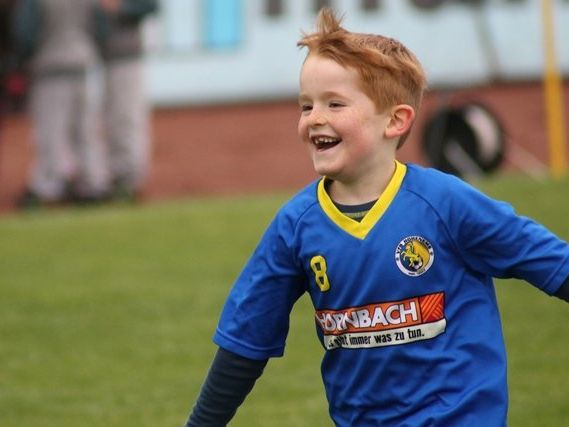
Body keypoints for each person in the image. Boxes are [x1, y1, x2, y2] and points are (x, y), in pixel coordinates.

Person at [184, 8, 569, 427]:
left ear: (396, 120)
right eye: (305, 105)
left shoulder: (446, 202)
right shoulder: (296, 226)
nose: (314, 117)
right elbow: (246, 340)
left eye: (335, 103)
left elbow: (551, 263)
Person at [12, 0, 109, 208]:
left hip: (50, 65)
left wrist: (22, 60)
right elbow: (102, 28)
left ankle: (49, 184)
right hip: (83, 62)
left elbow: (25, 33)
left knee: (51, 131)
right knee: (85, 130)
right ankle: (93, 182)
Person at [98, 0, 157, 202]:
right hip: (102, 57)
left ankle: (129, 179)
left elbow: (151, 6)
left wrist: (121, 8)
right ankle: (114, 174)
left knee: (126, 118)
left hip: (127, 56)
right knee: (112, 119)